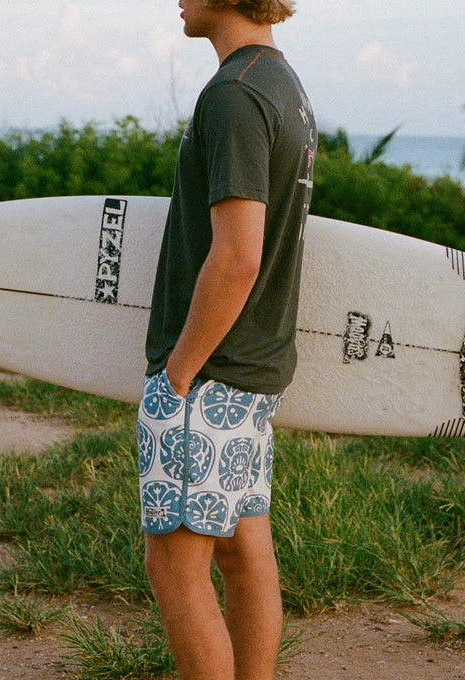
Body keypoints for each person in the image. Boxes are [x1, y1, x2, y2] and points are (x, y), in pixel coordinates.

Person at [136, 1, 316, 678]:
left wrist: (177, 375)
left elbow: (238, 256)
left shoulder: (234, 96)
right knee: (244, 553)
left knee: (176, 567)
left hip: (208, 376)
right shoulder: (283, 86)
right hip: (252, 371)